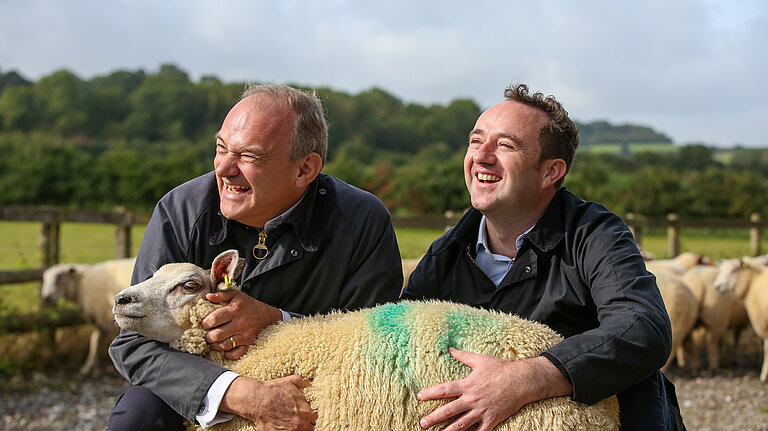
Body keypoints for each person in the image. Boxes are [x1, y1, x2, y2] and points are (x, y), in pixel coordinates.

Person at [108, 83, 403, 431]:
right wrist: (240, 392)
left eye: (249, 156)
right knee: (139, 415)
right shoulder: (182, 211)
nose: (224, 168)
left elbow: (374, 340)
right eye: (221, 148)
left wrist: (279, 322)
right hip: (203, 388)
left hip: (315, 391)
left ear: (305, 169)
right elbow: (133, 342)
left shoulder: (361, 221)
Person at [401, 83, 685, 431]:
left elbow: (644, 328)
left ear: (551, 172)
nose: (482, 155)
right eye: (476, 141)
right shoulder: (446, 254)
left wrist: (525, 378)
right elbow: (401, 339)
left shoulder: (594, 234)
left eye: (505, 145)